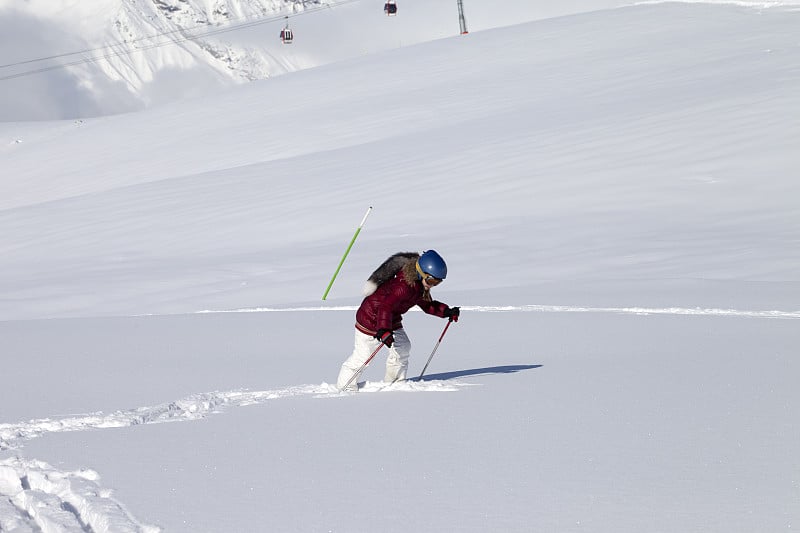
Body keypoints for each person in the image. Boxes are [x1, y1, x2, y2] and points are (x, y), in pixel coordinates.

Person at [336, 250, 460, 391]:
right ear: (421, 272)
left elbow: (427, 304)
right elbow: (385, 306)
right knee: (363, 356)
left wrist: (446, 311)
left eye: (437, 283)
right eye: (431, 281)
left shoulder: (419, 286)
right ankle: (344, 387)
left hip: (390, 319)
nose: (432, 285)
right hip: (370, 319)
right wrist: (383, 330)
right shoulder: (404, 286)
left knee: (403, 347)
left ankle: (395, 384)